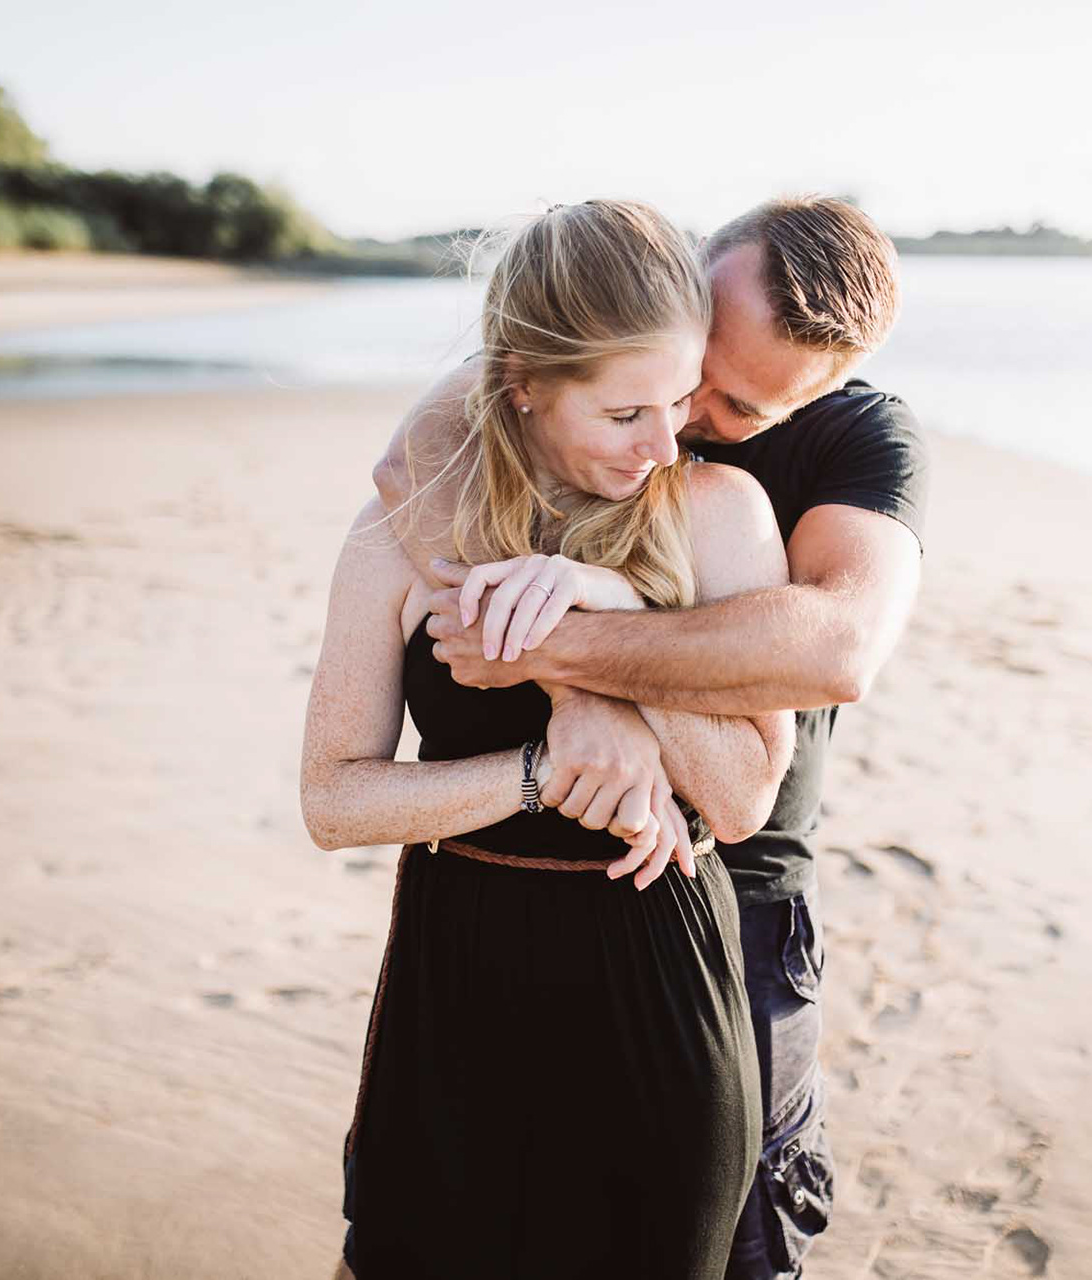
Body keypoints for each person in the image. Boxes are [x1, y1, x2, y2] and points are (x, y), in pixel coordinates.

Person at [373, 195, 928, 1279]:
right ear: (697, 273)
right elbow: (414, 461)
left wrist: (569, 653)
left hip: (742, 883)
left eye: (735, 404)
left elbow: (839, 646)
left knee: (741, 1237)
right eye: (691, 370)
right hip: (534, 878)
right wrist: (572, 699)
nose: (685, 418)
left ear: (821, 390)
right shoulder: (625, 331)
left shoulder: (863, 438)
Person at [301, 198, 797, 1279]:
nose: (664, 443)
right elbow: (333, 801)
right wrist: (535, 773)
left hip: (661, 977)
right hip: (459, 973)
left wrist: (614, 614)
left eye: (680, 398)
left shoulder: (720, 512)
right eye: (624, 413)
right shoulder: (403, 526)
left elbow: (743, 797)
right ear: (524, 381)